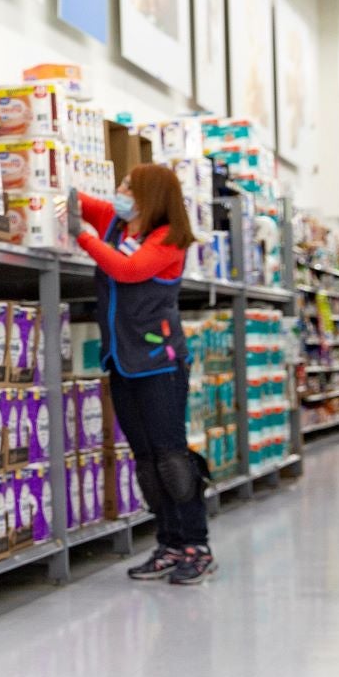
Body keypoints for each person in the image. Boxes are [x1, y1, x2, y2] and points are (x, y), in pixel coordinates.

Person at [75, 164, 213, 585]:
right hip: (122, 359)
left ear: (150, 195)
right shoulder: (116, 222)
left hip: (160, 361)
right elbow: (74, 198)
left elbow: (127, 270)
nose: (119, 192)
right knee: (146, 461)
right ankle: (169, 543)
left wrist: (82, 237)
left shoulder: (169, 239)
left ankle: (197, 544)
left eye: (128, 187)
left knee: (171, 456)